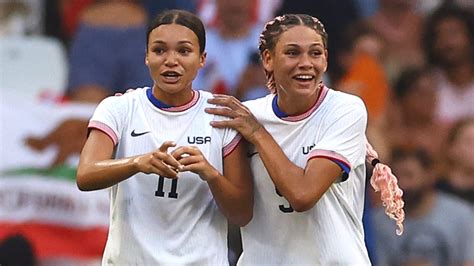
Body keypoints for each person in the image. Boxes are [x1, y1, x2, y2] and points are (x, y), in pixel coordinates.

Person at [206, 14, 404, 264]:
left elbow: (302, 195)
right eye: (292, 53)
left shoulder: (345, 109)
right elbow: (239, 212)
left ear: (326, 59)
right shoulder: (248, 115)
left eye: (315, 53)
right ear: (267, 59)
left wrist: (257, 133)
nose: (306, 63)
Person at [76, 9, 253, 264]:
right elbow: (85, 174)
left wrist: (210, 174)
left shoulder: (220, 114)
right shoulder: (119, 108)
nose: (171, 60)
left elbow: (242, 213)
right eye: (159, 50)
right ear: (146, 57)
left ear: (202, 59)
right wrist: (137, 163)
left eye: (184, 51)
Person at [374, 148, 474, 266]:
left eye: (409, 175)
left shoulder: (461, 216)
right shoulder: (379, 220)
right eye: (396, 178)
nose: (403, 184)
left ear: (430, 176)